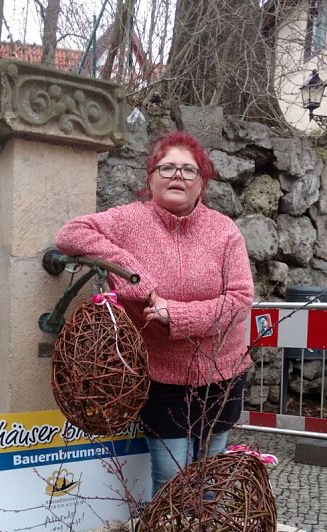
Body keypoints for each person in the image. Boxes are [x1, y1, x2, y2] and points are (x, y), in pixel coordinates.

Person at [55, 131, 255, 496]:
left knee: (210, 477)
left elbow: (241, 299)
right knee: (170, 479)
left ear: (201, 184)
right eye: (167, 167)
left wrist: (177, 315)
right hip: (161, 377)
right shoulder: (129, 221)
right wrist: (136, 277)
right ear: (150, 178)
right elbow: (71, 233)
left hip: (222, 373)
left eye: (188, 170)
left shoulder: (224, 231)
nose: (177, 176)